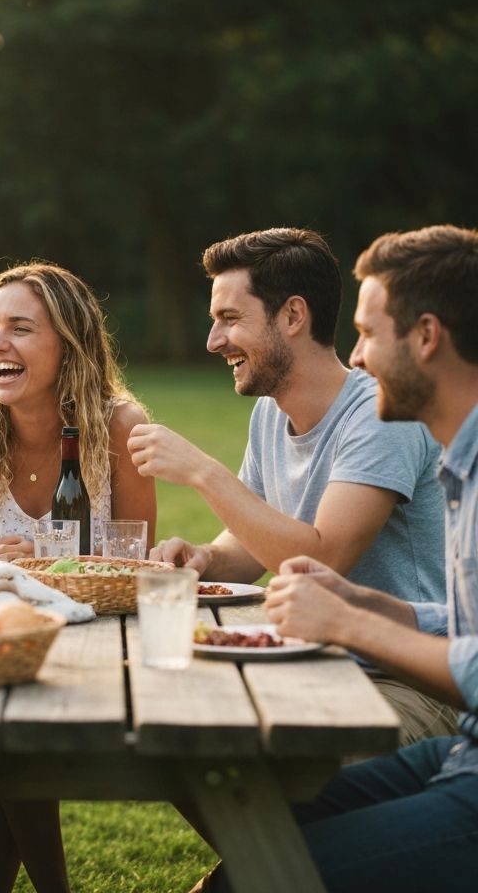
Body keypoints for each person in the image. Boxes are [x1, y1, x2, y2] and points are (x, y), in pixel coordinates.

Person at [197, 224, 478, 893]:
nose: (356, 357)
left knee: (254, 875)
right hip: (462, 747)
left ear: (427, 337)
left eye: (368, 334)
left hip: (431, 721)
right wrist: (368, 604)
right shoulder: (460, 466)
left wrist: (352, 624)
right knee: (249, 819)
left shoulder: (411, 435)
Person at [128, 227, 455, 744]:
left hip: (410, 680)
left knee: (227, 760)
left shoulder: (380, 414)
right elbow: (252, 539)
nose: (214, 341)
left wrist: (203, 473)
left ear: (293, 316)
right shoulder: (268, 413)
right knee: (171, 738)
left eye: (230, 320)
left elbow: (321, 563)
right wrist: (204, 559)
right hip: (316, 656)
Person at [0, 261, 157, 893]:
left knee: (7, 742)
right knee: (5, 728)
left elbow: (136, 563)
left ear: (69, 346)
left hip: (98, 645)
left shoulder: (120, 428)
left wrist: (46, 563)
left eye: (20, 329)